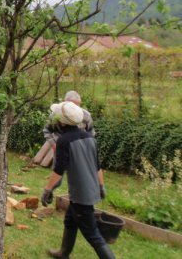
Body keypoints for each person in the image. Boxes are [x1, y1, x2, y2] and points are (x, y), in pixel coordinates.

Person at [41, 101, 114, 259]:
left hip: (82, 195)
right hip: (88, 190)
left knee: (93, 235)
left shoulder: (64, 141)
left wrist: (47, 190)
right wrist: (101, 186)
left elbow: (59, 170)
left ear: (61, 121)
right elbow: (97, 166)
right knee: (70, 220)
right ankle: (63, 253)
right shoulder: (90, 137)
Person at [43, 90, 94, 188]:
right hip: (60, 147)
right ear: (64, 103)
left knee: (80, 177)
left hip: (79, 149)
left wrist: (87, 148)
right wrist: (54, 145)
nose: (74, 109)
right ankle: (51, 190)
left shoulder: (86, 116)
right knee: (58, 172)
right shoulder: (55, 115)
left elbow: (91, 133)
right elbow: (47, 130)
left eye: (77, 106)